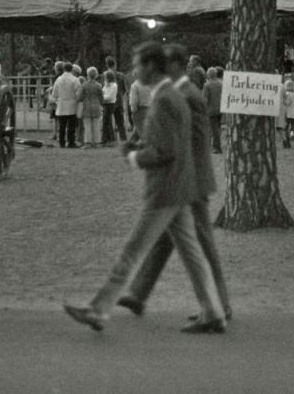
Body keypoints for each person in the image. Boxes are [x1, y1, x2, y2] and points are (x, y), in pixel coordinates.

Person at [63, 42, 227, 334]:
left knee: (132, 250)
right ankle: (213, 311)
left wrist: (133, 156)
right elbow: (175, 143)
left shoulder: (166, 99)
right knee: (192, 254)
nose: (135, 70)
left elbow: (166, 151)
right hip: (180, 187)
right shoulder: (173, 96)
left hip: (165, 189)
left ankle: (98, 310)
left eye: (138, 64)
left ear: (151, 66)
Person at [115, 44, 232, 324]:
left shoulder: (186, 94)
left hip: (189, 179)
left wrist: (144, 151)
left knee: (202, 245)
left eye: (166, 64)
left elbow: (184, 142)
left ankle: (220, 306)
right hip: (187, 178)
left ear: (178, 66)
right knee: (165, 239)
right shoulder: (183, 92)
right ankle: (138, 293)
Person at [51, 61, 81, 148]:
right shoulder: (75, 80)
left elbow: (54, 94)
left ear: (64, 69)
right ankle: (71, 142)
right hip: (72, 104)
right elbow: (79, 93)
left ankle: (62, 142)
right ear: (72, 69)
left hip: (61, 104)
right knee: (71, 126)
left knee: (62, 126)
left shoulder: (58, 79)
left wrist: (57, 100)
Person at [106, 57, 128, 141]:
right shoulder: (121, 75)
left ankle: (111, 138)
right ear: (115, 64)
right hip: (118, 99)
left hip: (108, 100)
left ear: (107, 65)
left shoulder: (105, 74)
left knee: (108, 121)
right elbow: (123, 89)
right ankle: (123, 138)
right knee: (120, 121)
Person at [81, 67, 103, 148]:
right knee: (96, 125)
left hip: (86, 106)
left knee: (87, 126)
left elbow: (80, 97)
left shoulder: (84, 85)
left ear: (88, 75)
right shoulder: (99, 85)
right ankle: (96, 142)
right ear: (96, 75)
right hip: (96, 106)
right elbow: (101, 98)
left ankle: (88, 142)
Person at [203, 67, 224, 154]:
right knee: (217, 128)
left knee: (213, 129)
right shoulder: (221, 83)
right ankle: (214, 146)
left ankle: (216, 148)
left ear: (208, 74)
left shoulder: (207, 85)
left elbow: (205, 99)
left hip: (211, 110)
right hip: (220, 108)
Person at [129, 73, 152, 139]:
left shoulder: (135, 85)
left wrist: (133, 110)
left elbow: (134, 100)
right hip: (149, 108)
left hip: (140, 110)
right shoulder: (149, 84)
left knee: (141, 131)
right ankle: (130, 144)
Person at [281, 79, 294, 149]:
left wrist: (283, 101)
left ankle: (288, 143)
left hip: (288, 113)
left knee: (286, 128)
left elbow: (288, 103)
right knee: (293, 127)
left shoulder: (287, 94)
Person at [101, 71, 119, 145]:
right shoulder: (106, 85)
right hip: (105, 104)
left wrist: (103, 97)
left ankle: (108, 138)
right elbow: (102, 92)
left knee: (106, 121)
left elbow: (110, 97)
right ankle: (108, 138)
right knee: (106, 121)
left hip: (110, 104)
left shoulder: (114, 85)